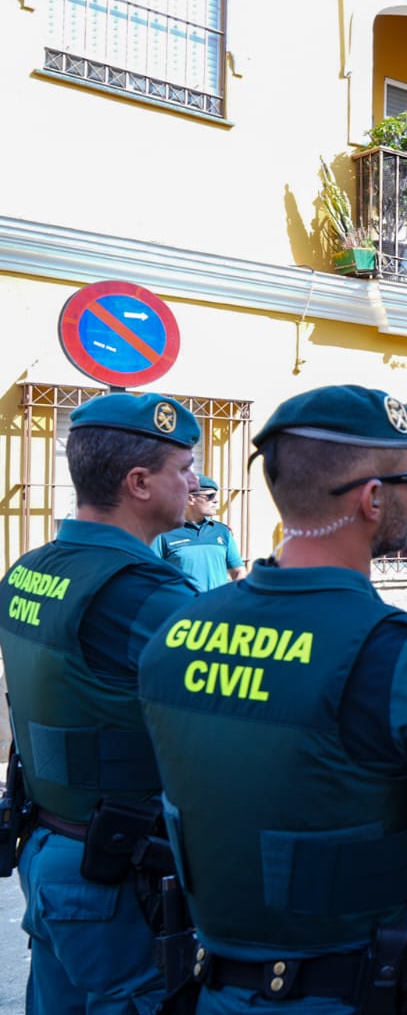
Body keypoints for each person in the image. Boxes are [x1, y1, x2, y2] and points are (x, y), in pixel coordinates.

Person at [138, 385, 407, 1011]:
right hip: (353, 992)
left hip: (213, 989)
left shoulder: (173, 634)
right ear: (373, 499)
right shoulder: (406, 657)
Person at [0, 391, 201, 1013]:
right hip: (113, 875)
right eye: (183, 468)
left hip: (50, 848)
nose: (195, 482)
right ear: (139, 483)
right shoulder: (144, 596)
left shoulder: (30, 568)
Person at [153, 472, 247, 590]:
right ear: (190, 498)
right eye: (210, 496)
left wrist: (232, 597)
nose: (216, 501)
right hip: (183, 607)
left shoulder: (222, 532)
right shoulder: (164, 532)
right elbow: (150, 574)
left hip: (217, 606)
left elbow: (239, 571)